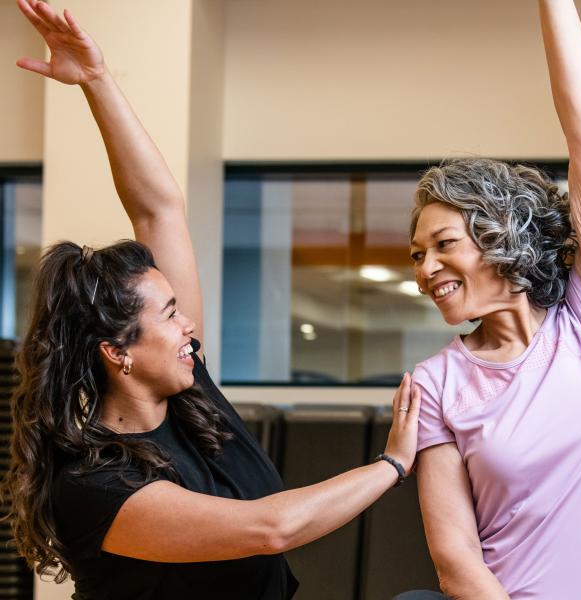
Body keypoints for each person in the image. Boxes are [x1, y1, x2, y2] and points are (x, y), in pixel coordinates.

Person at [3, 1, 421, 599]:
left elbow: (158, 208)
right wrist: (393, 464)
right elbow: (271, 528)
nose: (189, 324)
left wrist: (97, 81)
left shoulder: (191, 397)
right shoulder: (94, 482)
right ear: (117, 352)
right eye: (170, 314)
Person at [409, 1, 581, 598]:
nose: (425, 269)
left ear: (503, 237)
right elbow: (456, 559)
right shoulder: (434, 383)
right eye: (416, 254)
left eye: (443, 244)